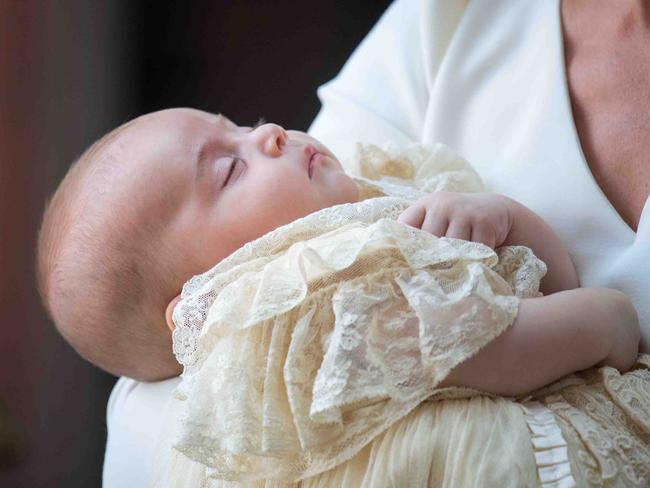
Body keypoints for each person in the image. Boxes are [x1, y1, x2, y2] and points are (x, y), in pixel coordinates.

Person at [98, 0, 650, 485]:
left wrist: (504, 219)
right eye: (228, 169)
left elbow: (547, 284)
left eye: (238, 126)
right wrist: (604, 322)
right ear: (202, 298)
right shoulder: (300, 303)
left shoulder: (374, 192)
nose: (268, 133)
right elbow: (481, 351)